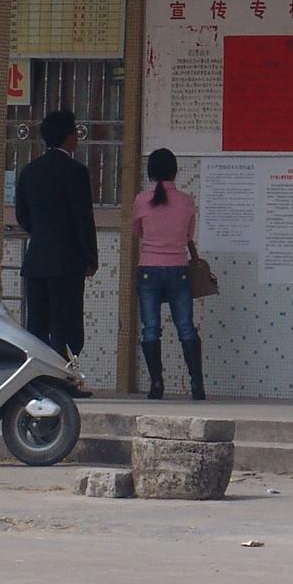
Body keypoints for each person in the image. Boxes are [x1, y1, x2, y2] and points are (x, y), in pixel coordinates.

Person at [12, 107, 97, 390]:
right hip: (68, 262)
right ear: (69, 137)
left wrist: (41, 234)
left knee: (37, 325)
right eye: (75, 132)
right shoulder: (76, 172)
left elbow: (22, 215)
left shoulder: (29, 171)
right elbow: (83, 219)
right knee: (66, 323)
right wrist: (90, 256)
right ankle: (64, 380)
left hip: (36, 260)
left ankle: (37, 382)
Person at [129, 147, 204, 401]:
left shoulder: (141, 200)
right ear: (175, 172)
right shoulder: (187, 201)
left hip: (148, 270)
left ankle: (156, 384)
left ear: (150, 172)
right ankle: (197, 384)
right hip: (178, 269)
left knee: (151, 328)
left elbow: (137, 231)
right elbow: (188, 235)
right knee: (186, 327)